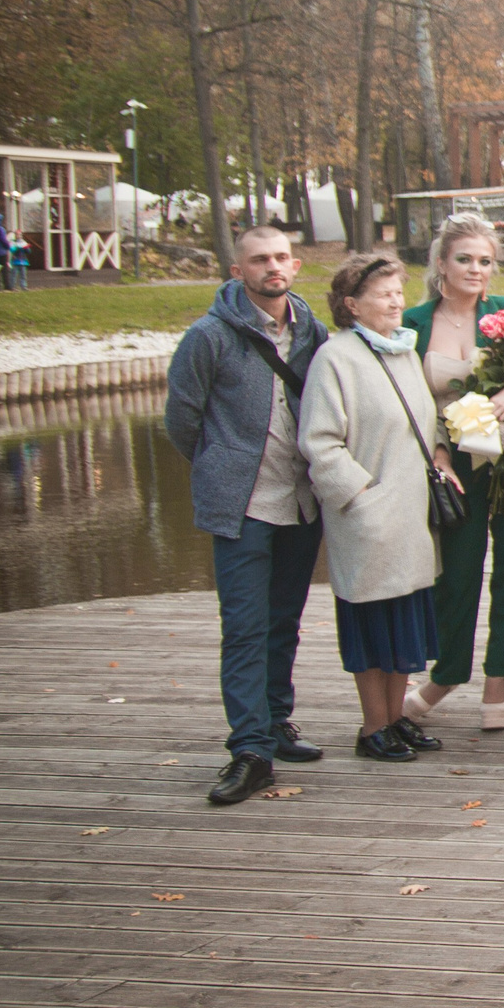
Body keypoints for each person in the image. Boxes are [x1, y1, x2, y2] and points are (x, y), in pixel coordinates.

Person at [165, 224, 331, 805]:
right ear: (238, 271)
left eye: (281, 257)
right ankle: (250, 750)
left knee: (284, 620)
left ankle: (276, 721)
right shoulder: (208, 337)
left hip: (300, 500)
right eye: (260, 260)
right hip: (244, 505)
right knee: (244, 628)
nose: (272, 267)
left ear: (295, 265)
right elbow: (182, 420)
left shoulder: (312, 331)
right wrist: (223, 465)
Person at [403, 211, 504, 733]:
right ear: (441, 263)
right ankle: (446, 675)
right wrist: (438, 454)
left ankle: (497, 682)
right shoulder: (414, 323)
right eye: (464, 259)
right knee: (457, 576)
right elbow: (407, 400)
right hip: (455, 465)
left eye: (485, 261)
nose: (475, 269)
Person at [298, 252, 443, 765]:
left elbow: (425, 421)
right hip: (368, 517)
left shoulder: (403, 351)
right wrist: (361, 497)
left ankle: (397, 718)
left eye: (399, 292)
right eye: (383, 294)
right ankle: (373, 726)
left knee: (403, 622)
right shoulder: (335, 358)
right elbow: (319, 441)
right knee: (372, 623)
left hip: (410, 515)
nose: (396, 301)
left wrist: (442, 454)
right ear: (351, 305)